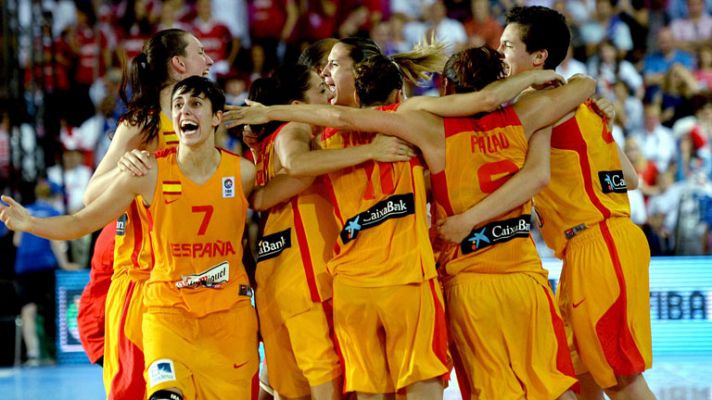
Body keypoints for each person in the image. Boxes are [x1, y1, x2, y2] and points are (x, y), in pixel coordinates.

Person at [226, 46, 595, 400]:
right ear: (399, 89)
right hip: (450, 279)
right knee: (551, 385)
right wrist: (556, 80)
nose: (328, 80)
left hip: (365, 287)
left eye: (333, 71)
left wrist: (275, 118)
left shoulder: (335, 137)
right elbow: (537, 166)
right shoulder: (429, 119)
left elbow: (331, 128)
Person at [435, 6, 652, 400]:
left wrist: (467, 220)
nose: (499, 53)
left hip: (597, 242)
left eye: (507, 45)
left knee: (622, 378)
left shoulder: (537, 107)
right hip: (601, 240)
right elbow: (630, 179)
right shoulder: (574, 101)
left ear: (538, 58)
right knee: (580, 372)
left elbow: (532, 171)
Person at [1, 76, 258, 400]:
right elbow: (83, 220)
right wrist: (31, 223)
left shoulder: (244, 173)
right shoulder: (148, 172)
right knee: (164, 394)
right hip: (167, 311)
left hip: (227, 317)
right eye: (178, 105)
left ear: (217, 117)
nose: (184, 111)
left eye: (195, 104)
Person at [246, 64, 416, 400]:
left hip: (274, 278)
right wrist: (371, 151)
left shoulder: (266, 147)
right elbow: (298, 164)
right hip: (306, 277)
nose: (329, 96)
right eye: (321, 92)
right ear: (298, 106)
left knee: (289, 388)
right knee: (327, 381)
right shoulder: (295, 129)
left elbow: (261, 196)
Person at [80, 28, 213, 400]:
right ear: (179, 64)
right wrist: (128, 169)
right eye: (201, 52)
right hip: (146, 284)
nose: (211, 61)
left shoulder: (206, 123)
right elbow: (91, 195)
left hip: (197, 285)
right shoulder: (143, 124)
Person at [13, 179, 79, 366]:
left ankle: (33, 354)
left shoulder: (24, 211)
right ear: (55, 196)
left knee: (28, 309)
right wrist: (65, 264)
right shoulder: (54, 213)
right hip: (45, 266)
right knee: (53, 309)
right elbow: (55, 241)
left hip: (24, 267)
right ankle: (55, 353)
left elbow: (17, 241)